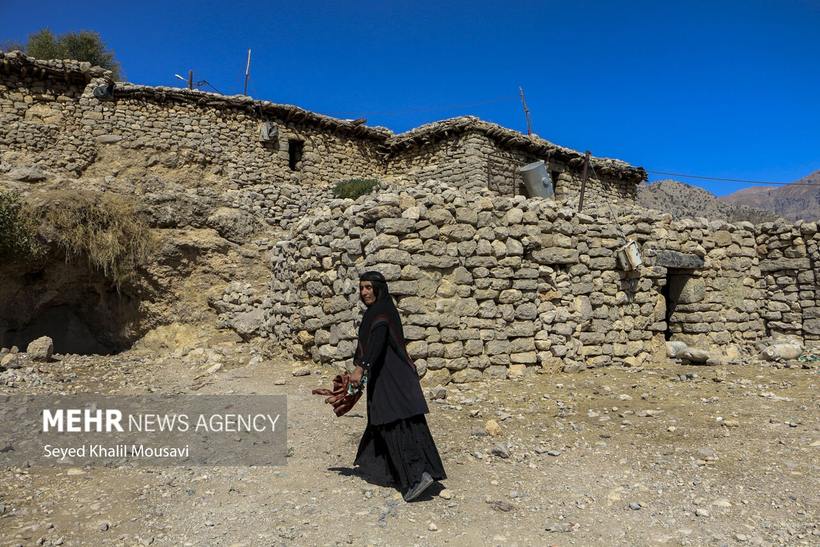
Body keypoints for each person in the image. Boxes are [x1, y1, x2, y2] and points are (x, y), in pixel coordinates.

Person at [349, 270, 446, 501]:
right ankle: (414, 472)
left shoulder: (381, 312)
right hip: (388, 377)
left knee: (395, 424)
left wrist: (361, 367)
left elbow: (378, 343)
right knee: (396, 423)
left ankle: (415, 479)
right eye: (362, 288)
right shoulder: (377, 311)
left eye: (369, 288)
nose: (364, 292)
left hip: (392, 378)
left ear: (379, 289)